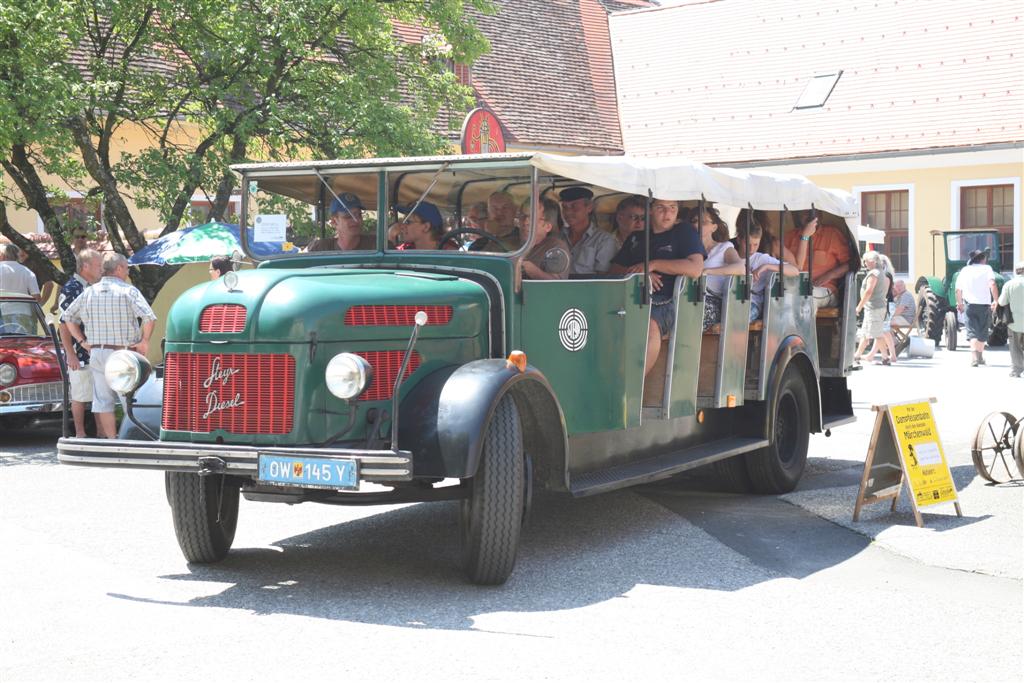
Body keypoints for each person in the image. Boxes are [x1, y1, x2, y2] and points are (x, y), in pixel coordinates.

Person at [61, 253, 157, 439]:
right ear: (119, 268)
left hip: (97, 351)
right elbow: (149, 317)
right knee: (129, 398)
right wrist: (144, 341)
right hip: (123, 353)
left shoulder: (89, 292)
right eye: (127, 268)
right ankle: (131, 439)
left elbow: (67, 318)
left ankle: (112, 441)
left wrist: (81, 341)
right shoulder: (129, 291)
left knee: (103, 400)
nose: (128, 272)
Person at [609, 198, 704, 377]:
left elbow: (695, 268)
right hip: (631, 298)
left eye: (672, 208)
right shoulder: (637, 237)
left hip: (666, 302)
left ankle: (632, 384)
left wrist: (653, 264)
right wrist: (639, 274)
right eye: (661, 207)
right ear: (650, 210)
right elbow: (614, 269)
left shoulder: (684, 232)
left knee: (650, 325)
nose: (667, 213)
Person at [705, 212, 799, 322]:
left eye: (756, 245)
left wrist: (767, 266)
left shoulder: (761, 259)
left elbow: (795, 271)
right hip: (727, 301)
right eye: (747, 244)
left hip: (751, 303)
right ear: (739, 240)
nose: (751, 249)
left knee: (737, 318)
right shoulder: (728, 255)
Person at [57, 248, 103, 437]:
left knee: (100, 394)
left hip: (95, 351)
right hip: (80, 353)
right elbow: (64, 325)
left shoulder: (91, 287)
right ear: (85, 266)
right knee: (80, 395)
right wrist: (71, 354)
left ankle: (102, 433)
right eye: (98, 265)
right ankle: (80, 433)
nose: (101, 269)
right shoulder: (71, 288)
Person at [784, 210, 852, 308]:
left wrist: (829, 275)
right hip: (794, 288)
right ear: (798, 215)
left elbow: (849, 264)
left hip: (824, 289)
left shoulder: (832, 234)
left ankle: (802, 323)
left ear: (820, 215)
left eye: (813, 212)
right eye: (805, 212)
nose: (809, 215)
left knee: (807, 296)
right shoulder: (789, 237)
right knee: (777, 296)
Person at [697, 206, 743, 330]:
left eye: (703, 222)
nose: (697, 225)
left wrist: (709, 271)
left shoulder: (724, 248)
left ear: (714, 227)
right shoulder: (688, 250)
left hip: (713, 301)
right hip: (689, 298)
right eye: (694, 221)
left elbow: (741, 268)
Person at [560, 186, 617, 275]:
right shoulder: (558, 237)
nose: (568, 212)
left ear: (589, 208)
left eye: (574, 207)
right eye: (564, 207)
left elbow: (603, 279)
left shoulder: (604, 240)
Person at [956, 249, 999, 367]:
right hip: (984, 305)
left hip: (969, 305)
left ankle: (978, 357)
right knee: (982, 332)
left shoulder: (965, 270)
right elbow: (992, 284)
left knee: (972, 332)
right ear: (982, 259)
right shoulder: (987, 268)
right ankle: (977, 357)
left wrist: (959, 304)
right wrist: (996, 300)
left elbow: (958, 290)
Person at [854, 251, 895, 365]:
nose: (864, 263)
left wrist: (859, 307)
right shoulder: (880, 272)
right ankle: (857, 355)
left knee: (877, 334)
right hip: (874, 307)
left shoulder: (874, 274)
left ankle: (885, 358)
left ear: (872, 261)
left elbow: (869, 291)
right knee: (866, 333)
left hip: (874, 308)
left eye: (865, 261)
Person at [306, 192, 375, 252]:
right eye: (348, 216)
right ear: (334, 222)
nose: (356, 220)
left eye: (359, 215)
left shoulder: (376, 245)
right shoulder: (320, 249)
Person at [521, 198, 570, 280]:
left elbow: (557, 284)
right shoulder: (513, 242)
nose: (525, 222)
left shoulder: (555, 248)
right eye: (523, 216)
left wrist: (533, 271)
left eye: (532, 218)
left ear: (547, 226)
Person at [997, 260, 1024, 378]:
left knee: (1015, 346)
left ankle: (1017, 370)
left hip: (1014, 322)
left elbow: (1002, 302)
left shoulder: (1009, 284)